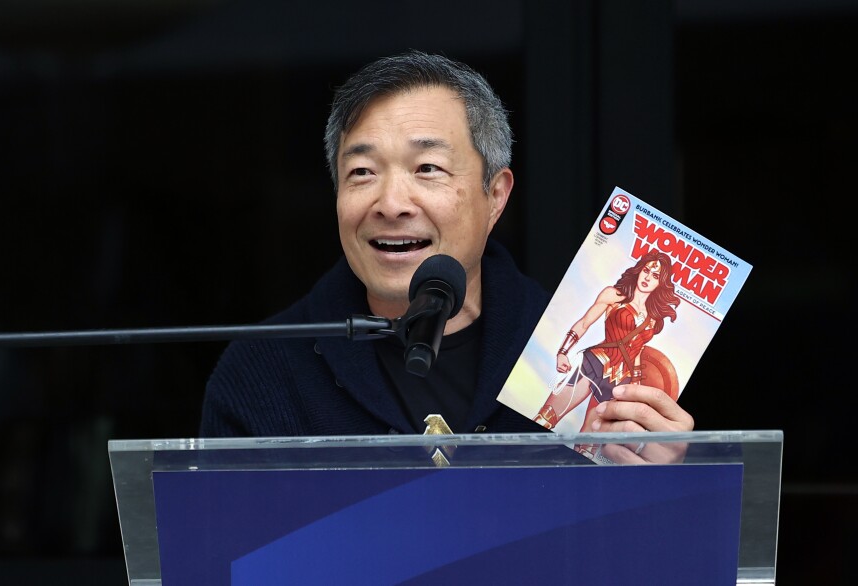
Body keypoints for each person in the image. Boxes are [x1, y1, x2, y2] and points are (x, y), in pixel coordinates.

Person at [200, 51, 694, 441]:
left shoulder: (543, 340)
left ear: (495, 196)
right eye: (362, 173)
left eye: (427, 169)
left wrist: (666, 481)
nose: (391, 203)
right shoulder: (263, 369)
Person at [533, 252, 680, 437]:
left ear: (661, 282)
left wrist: (634, 386)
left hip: (619, 382)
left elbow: (637, 350)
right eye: (646, 270)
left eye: (656, 275)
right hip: (593, 364)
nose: (648, 277)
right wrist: (563, 352)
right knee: (545, 419)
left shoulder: (655, 319)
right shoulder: (614, 295)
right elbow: (585, 322)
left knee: (590, 442)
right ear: (639, 270)